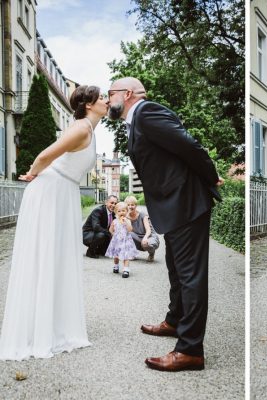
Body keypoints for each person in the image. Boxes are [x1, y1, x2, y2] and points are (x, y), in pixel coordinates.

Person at [107, 77, 223, 372]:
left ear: (128, 93)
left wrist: (210, 177)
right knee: (176, 267)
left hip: (186, 201)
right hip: (173, 205)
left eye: (111, 94)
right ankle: (175, 321)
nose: (108, 100)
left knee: (190, 275)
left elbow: (188, 144)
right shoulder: (136, 121)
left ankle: (190, 350)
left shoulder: (147, 112)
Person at [0, 85, 108, 360]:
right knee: (46, 254)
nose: (106, 101)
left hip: (63, 191)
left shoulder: (89, 130)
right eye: (102, 98)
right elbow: (44, 156)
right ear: (89, 104)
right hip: (51, 190)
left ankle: (51, 323)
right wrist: (32, 175)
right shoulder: (82, 128)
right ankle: (39, 329)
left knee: (57, 256)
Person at [105, 202, 139, 278]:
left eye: (123, 211)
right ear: (116, 212)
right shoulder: (114, 221)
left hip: (126, 241)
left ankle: (126, 269)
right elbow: (110, 230)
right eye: (119, 211)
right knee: (116, 255)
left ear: (127, 212)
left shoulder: (128, 221)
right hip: (117, 241)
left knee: (126, 255)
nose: (121, 213)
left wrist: (127, 223)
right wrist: (114, 235)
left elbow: (130, 230)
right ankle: (116, 266)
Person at [124, 195, 160, 262]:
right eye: (128, 205)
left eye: (132, 205)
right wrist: (126, 217)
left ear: (136, 205)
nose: (130, 207)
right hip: (137, 237)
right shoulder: (125, 217)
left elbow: (148, 230)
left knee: (146, 244)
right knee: (127, 234)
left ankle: (151, 253)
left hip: (149, 236)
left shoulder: (142, 215)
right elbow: (129, 231)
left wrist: (145, 238)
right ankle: (132, 253)